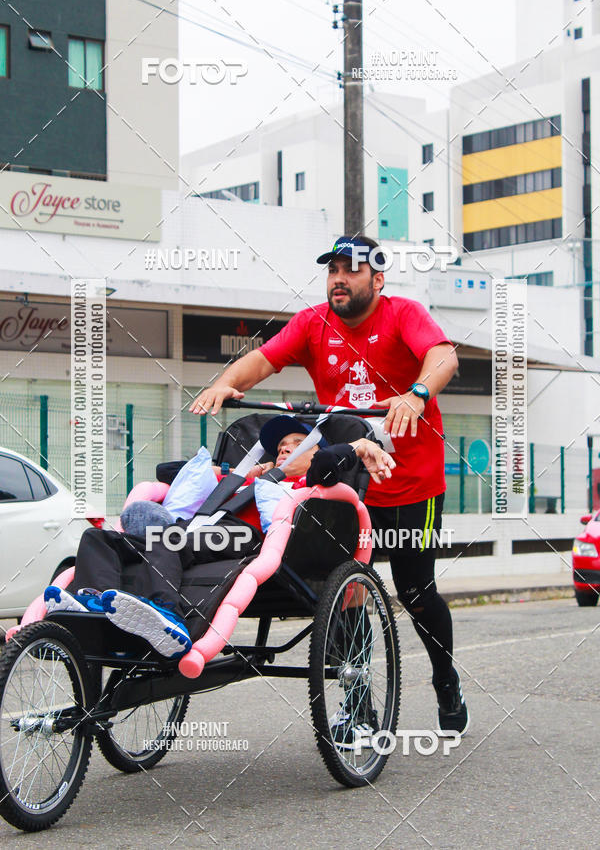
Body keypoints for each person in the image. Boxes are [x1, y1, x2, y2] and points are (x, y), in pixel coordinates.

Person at [189, 235, 468, 736]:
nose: (339, 278)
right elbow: (264, 358)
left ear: (377, 280)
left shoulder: (404, 314)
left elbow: (444, 356)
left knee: (416, 591)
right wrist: (225, 382)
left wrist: (417, 393)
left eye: (351, 269)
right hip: (345, 484)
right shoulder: (313, 323)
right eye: (333, 270)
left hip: (410, 485)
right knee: (343, 591)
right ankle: (358, 705)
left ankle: (445, 679)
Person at [44, 415, 394, 660]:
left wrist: (359, 442)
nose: (286, 450)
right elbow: (168, 472)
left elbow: (335, 459)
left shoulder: (311, 482)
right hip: (201, 532)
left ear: (316, 453)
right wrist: (233, 472)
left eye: (298, 444)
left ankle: (167, 612)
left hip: (253, 539)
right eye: (282, 447)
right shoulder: (248, 479)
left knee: (169, 538)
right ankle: (91, 597)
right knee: (100, 538)